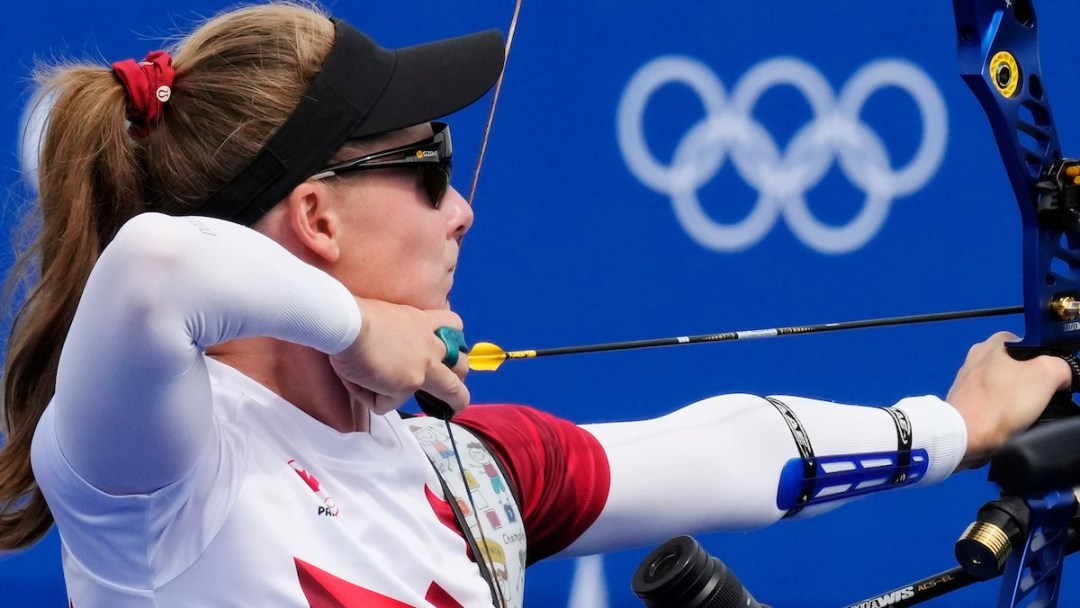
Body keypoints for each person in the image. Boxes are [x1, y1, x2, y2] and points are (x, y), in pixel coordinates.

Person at [0, 3, 1069, 607]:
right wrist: (362, 329)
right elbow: (150, 271)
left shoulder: (458, 474)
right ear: (316, 215)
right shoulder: (159, 470)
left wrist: (956, 427)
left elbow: (723, 450)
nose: (460, 209)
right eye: (429, 166)